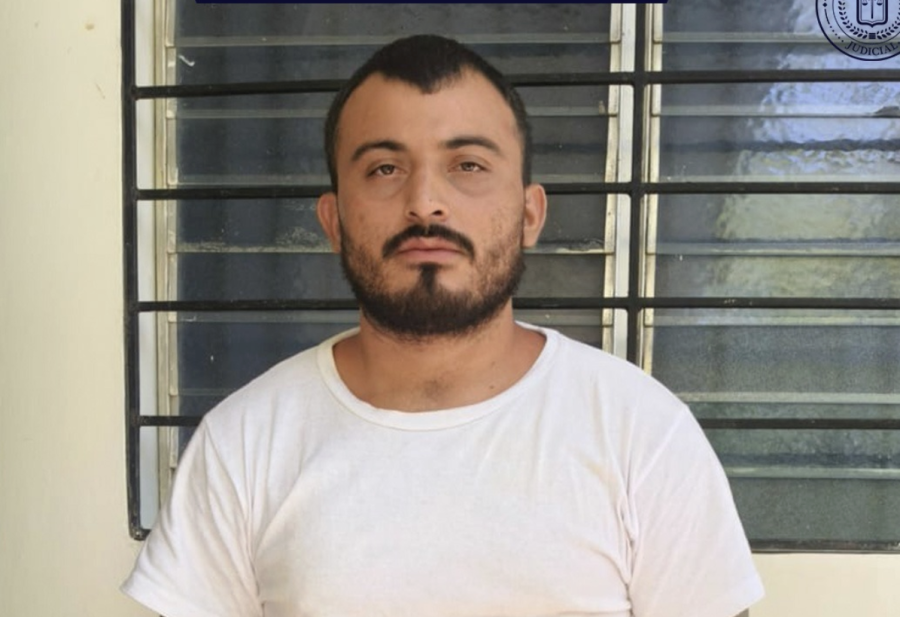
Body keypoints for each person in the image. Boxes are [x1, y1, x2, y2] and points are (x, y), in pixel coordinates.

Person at [122, 34, 764, 617]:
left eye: (468, 165)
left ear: (530, 214)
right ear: (334, 221)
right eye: (385, 168)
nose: (425, 203)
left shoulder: (641, 433)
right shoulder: (243, 444)